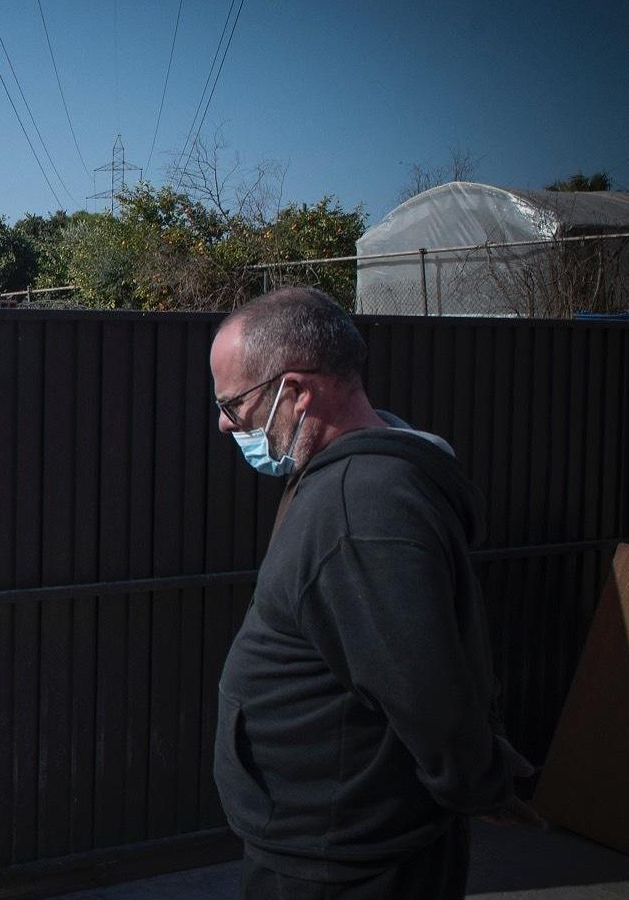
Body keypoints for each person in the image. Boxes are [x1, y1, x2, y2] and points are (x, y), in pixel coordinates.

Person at [208, 287, 536, 898]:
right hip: (330, 839)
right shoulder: (356, 473)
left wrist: (480, 785)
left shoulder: (362, 510)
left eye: (235, 403)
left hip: (346, 857)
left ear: (298, 392)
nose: (226, 421)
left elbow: (426, 688)